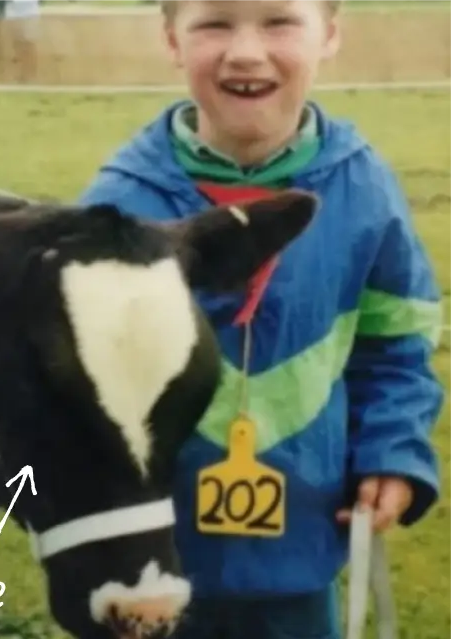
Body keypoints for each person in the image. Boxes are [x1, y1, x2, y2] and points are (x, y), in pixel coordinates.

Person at [77, 0, 444, 637]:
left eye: (278, 21)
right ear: (172, 39)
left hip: (302, 548)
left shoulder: (363, 192)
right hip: (147, 559)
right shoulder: (116, 205)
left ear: (329, 34)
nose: (245, 51)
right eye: (215, 23)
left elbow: (395, 347)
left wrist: (392, 450)